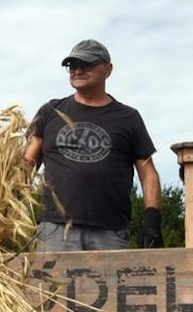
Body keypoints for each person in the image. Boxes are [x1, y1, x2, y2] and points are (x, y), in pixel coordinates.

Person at [24, 39, 163, 251]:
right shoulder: (50, 111)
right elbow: (27, 165)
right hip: (55, 229)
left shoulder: (128, 117)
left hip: (110, 231)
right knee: (51, 286)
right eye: (72, 66)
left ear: (108, 69)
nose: (77, 70)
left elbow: (148, 173)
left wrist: (152, 218)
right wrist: (5, 206)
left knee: (112, 285)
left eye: (86, 64)